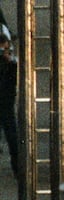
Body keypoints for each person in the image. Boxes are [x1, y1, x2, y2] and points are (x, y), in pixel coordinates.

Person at [0, 24, 18, 179]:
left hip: (6, 104)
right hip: (6, 103)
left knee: (13, 137)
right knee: (12, 135)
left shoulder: (11, 65)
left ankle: (17, 168)